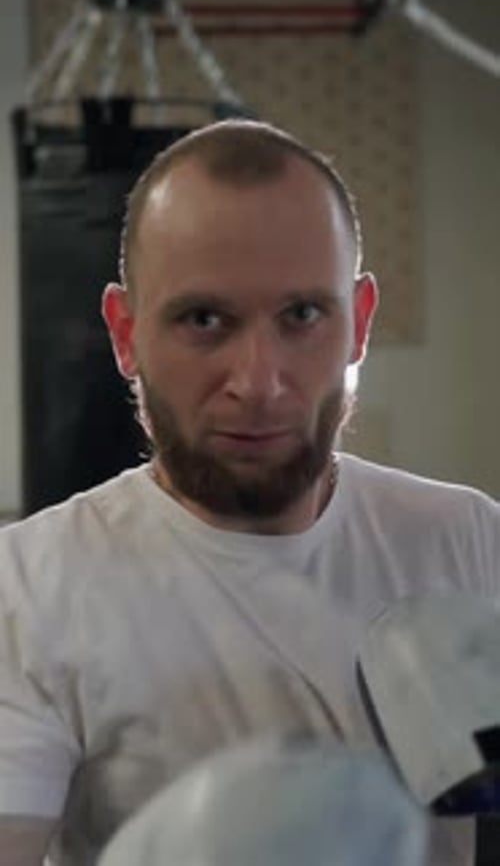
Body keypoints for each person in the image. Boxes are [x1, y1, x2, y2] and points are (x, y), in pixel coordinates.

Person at [0, 119, 498, 866]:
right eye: (205, 320)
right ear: (125, 333)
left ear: (358, 323)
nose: (259, 384)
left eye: (302, 316)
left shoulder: (469, 540)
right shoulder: (29, 587)